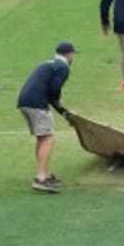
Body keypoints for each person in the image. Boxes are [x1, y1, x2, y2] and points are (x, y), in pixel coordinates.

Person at [16, 42, 76, 193]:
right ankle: (41, 178)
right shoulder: (63, 67)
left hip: (25, 102)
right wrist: (63, 111)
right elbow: (54, 91)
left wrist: (62, 111)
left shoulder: (49, 63)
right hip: (36, 103)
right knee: (49, 138)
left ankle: (45, 174)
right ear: (69, 55)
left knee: (42, 138)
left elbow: (50, 93)